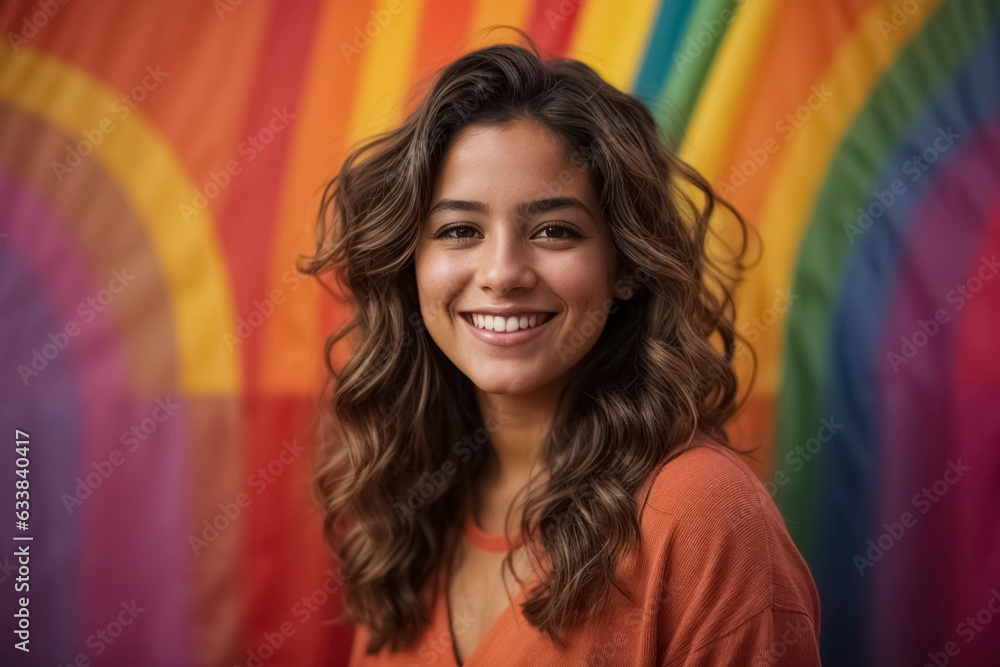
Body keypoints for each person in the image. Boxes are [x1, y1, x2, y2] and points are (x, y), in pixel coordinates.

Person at [299, 29, 821, 666]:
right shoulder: (412, 505)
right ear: (412, 266)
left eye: (554, 230)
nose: (502, 273)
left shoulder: (702, 514)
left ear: (626, 265)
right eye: (460, 229)